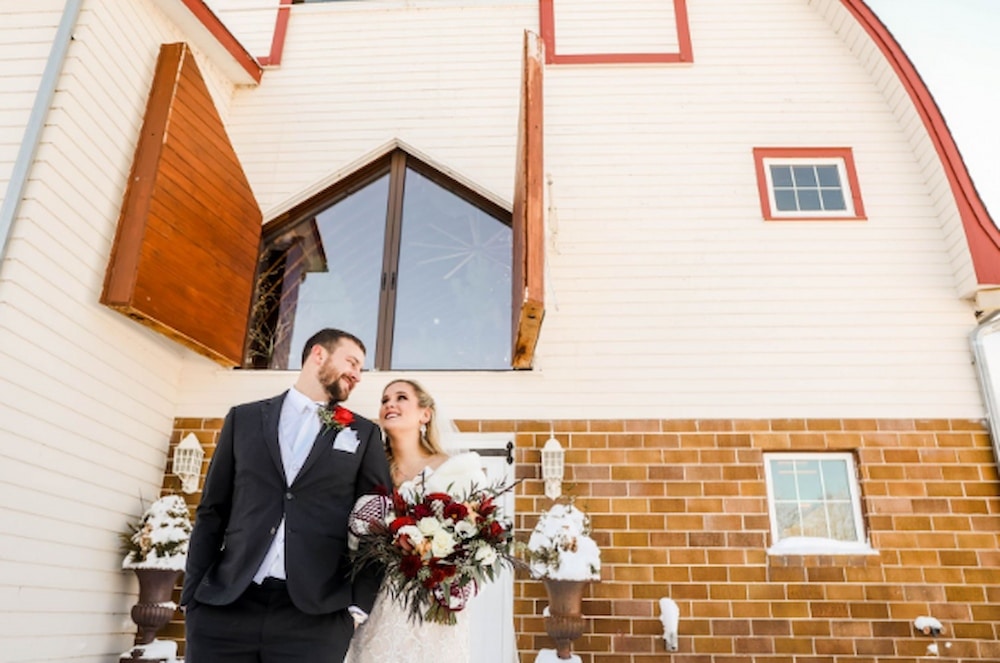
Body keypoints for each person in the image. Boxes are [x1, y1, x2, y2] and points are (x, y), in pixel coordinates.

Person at [181, 328, 392, 663]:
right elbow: (212, 511)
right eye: (352, 362)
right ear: (318, 355)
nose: (357, 375)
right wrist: (192, 597)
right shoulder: (244, 419)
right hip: (226, 609)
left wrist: (356, 608)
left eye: (361, 369)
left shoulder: (363, 434)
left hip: (315, 619)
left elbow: (379, 522)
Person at [344, 379, 483, 663]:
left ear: (425, 414)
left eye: (401, 397)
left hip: (433, 609)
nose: (389, 404)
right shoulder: (370, 474)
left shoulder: (458, 471)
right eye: (384, 400)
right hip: (378, 603)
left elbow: (478, 548)